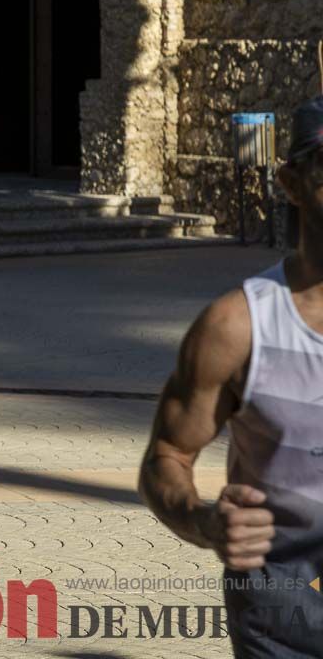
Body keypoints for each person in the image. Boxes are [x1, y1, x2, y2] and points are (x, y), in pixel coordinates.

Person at [139, 96, 323, 656]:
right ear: (292, 184)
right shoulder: (237, 327)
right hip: (285, 625)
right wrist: (205, 522)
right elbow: (167, 456)